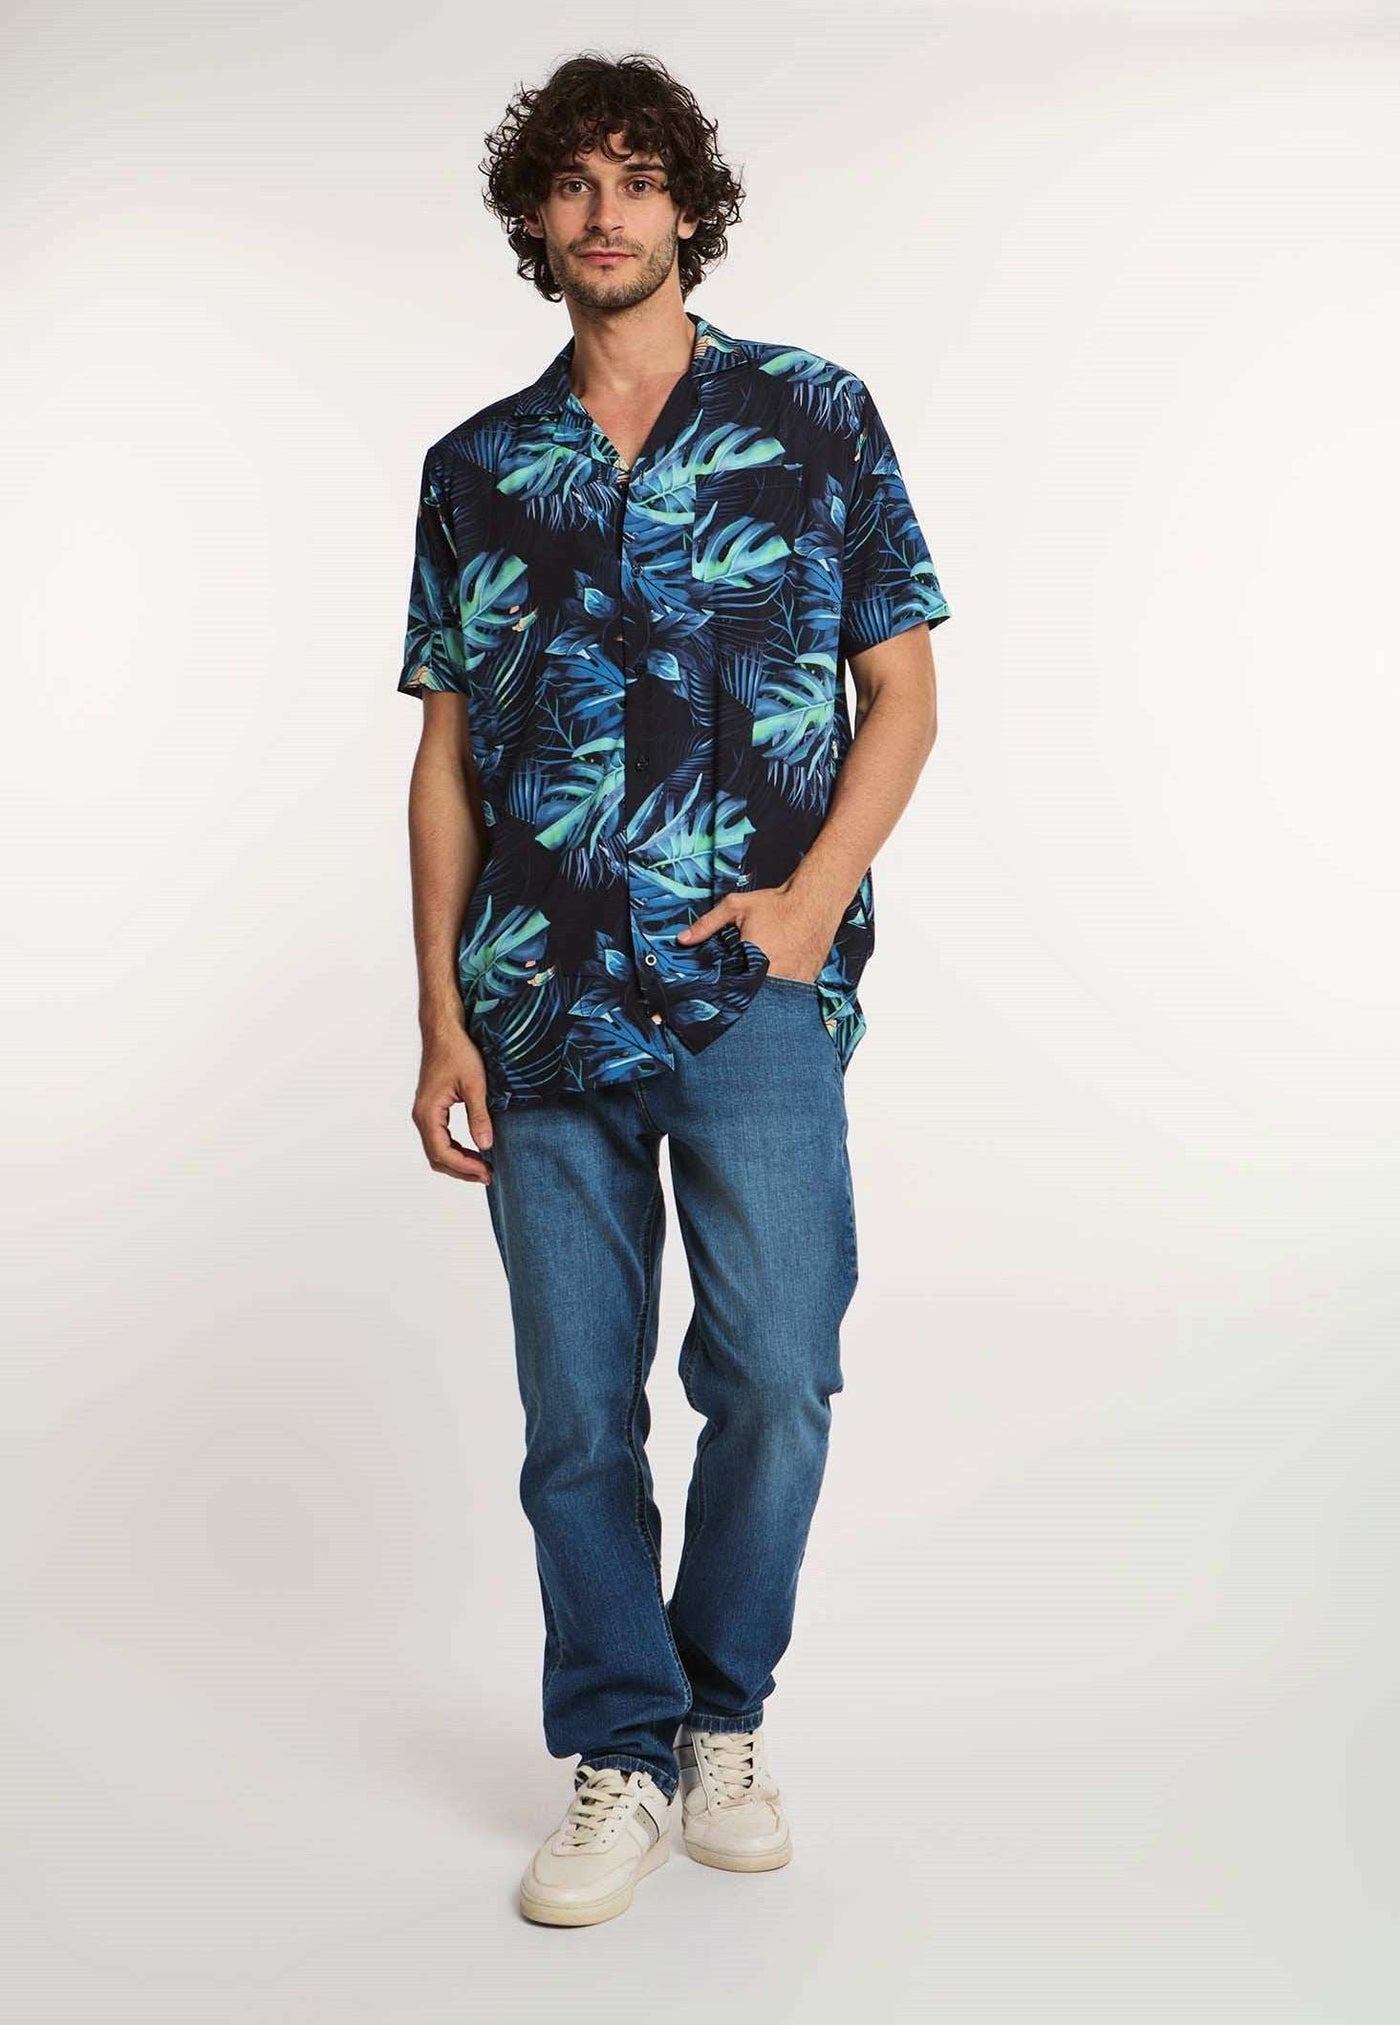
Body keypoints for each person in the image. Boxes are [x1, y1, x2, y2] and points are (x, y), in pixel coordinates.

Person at [397, 52, 949, 1928]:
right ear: (534, 221)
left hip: (751, 990)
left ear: (690, 208)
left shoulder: (813, 414)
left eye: (638, 178)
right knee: (576, 1415)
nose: (606, 212)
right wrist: (439, 1013)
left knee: (779, 1371)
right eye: (571, 183)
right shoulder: (477, 470)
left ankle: (723, 1713)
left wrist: (811, 901)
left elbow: (904, 690)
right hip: (540, 995)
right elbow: (444, 760)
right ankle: (620, 1749)